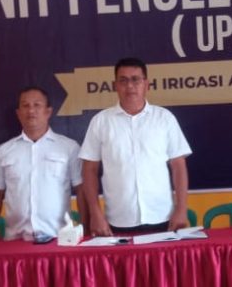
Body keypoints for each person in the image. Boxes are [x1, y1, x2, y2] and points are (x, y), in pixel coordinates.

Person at [79, 57, 191, 236]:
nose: (130, 86)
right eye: (123, 80)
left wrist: (181, 208)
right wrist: (95, 213)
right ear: (115, 85)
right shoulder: (100, 121)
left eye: (135, 80)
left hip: (163, 217)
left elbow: (178, 166)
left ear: (147, 84)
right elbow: (89, 170)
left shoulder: (164, 119)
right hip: (117, 221)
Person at [0, 87, 86, 240]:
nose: (31, 111)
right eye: (25, 106)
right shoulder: (3, 151)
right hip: (15, 240)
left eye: (37, 105)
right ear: (18, 114)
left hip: (59, 239)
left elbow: (81, 190)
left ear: (48, 112)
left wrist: (86, 226)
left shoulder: (69, 148)